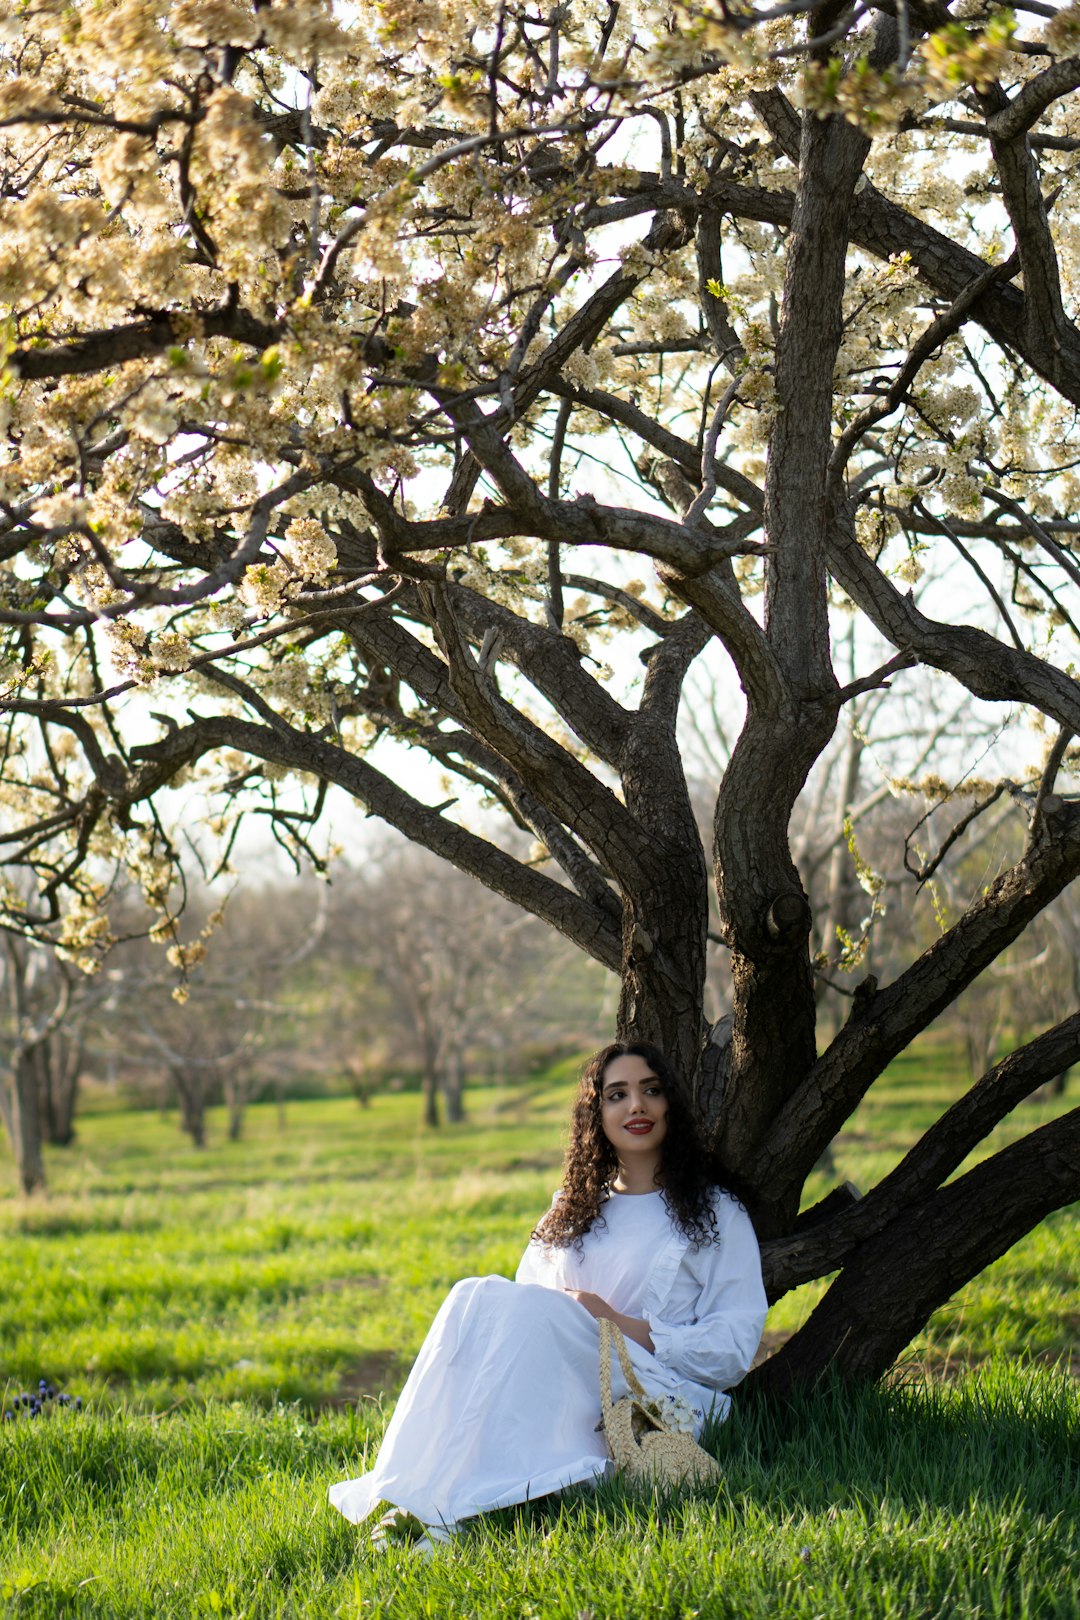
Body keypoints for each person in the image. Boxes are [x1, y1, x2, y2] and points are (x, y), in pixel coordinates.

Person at [328, 1040, 768, 1548]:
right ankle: (418, 1495)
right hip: (561, 1375)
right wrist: (569, 1319)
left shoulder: (715, 1213)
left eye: (651, 1091)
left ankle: (446, 1513)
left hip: (648, 1393)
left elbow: (734, 1349)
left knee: (523, 1312)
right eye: (617, 1095)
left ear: (673, 1104)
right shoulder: (572, 1206)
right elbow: (518, 1313)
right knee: (473, 1296)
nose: (636, 1106)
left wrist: (609, 1321)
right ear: (596, 1114)